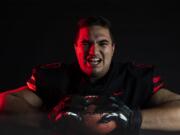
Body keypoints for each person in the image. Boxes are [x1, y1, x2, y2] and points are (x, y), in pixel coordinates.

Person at [1, 16, 180, 135]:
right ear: (75, 47)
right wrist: (48, 119)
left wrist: (132, 118)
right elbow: (4, 101)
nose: (93, 52)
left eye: (102, 43)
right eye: (86, 43)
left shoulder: (135, 77)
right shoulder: (55, 77)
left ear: (113, 48)